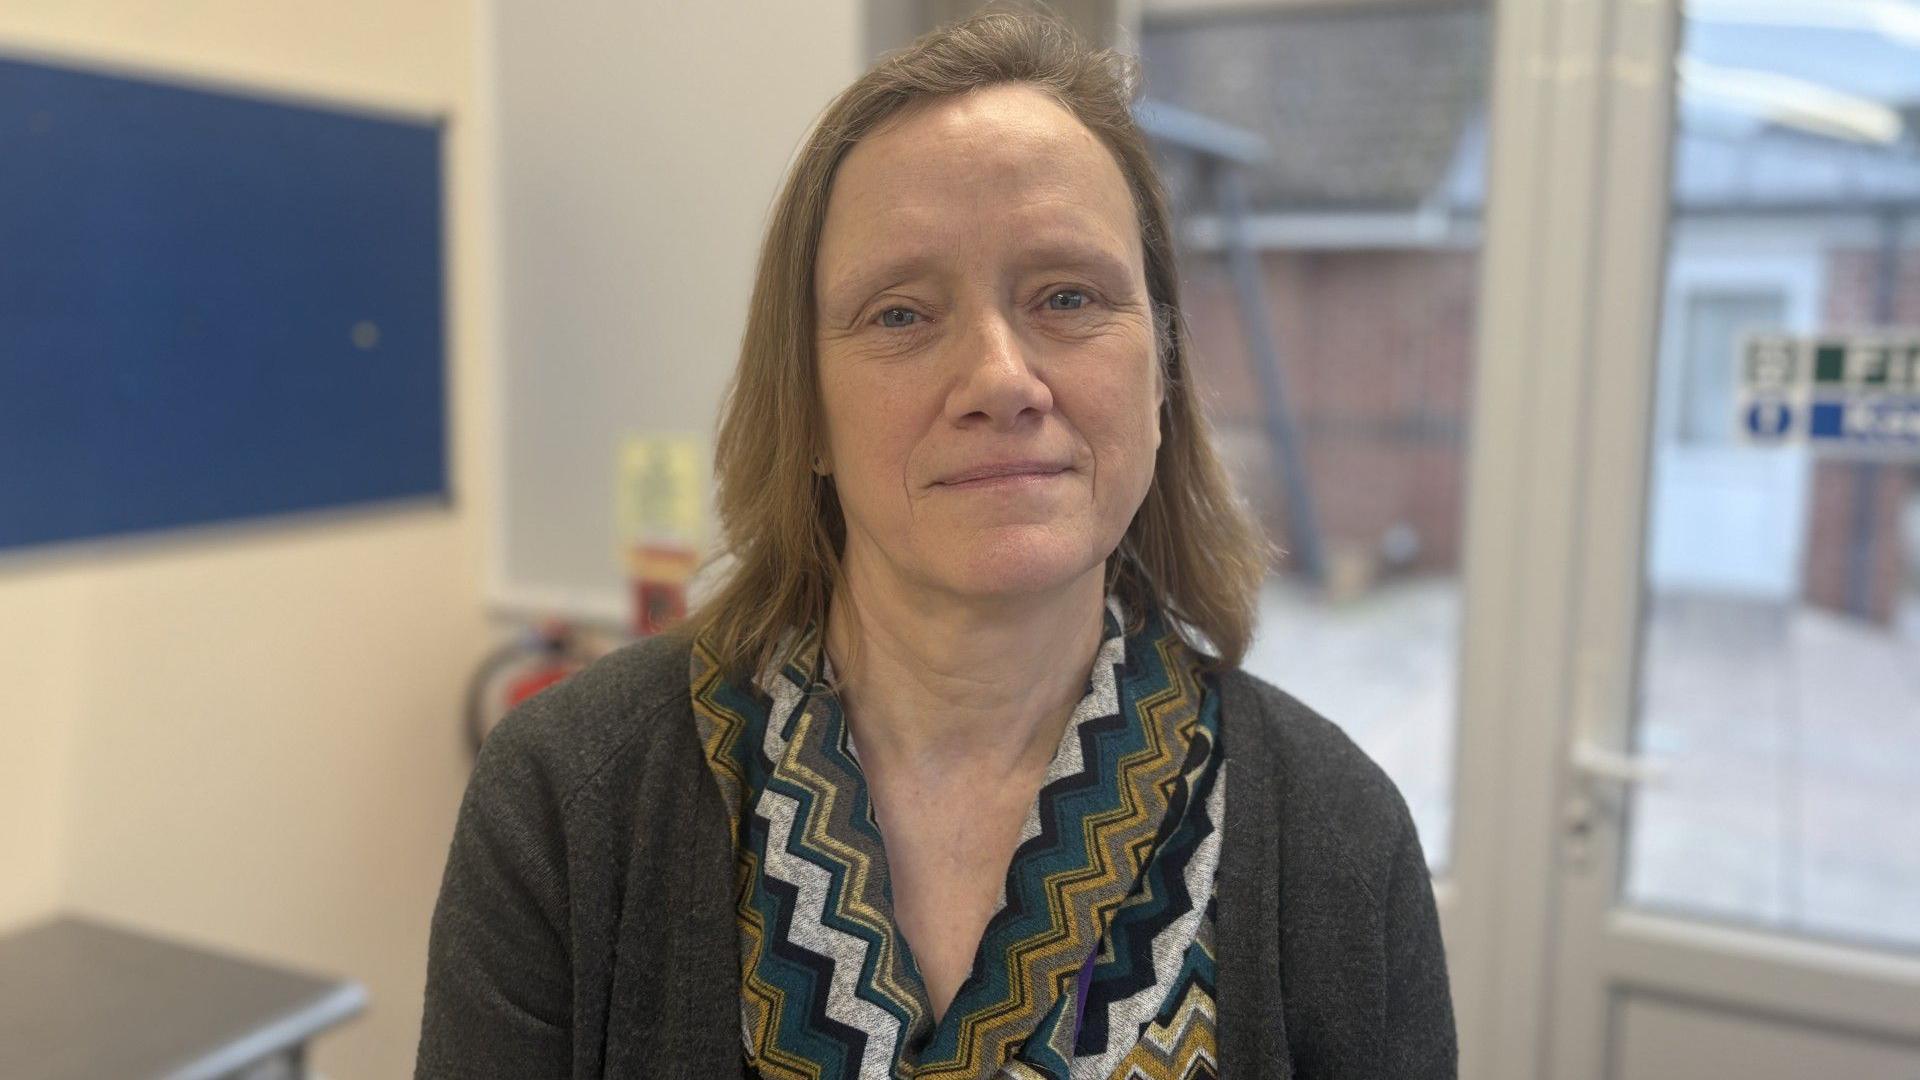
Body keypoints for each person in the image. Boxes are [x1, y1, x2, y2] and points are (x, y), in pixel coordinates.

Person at [415, 9, 1456, 1079]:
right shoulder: (568, 801)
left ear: (1163, 376)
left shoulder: (1338, 839)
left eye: (1067, 295)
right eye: (902, 315)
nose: (1002, 379)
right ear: (807, 408)